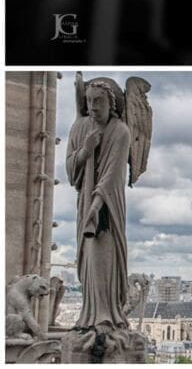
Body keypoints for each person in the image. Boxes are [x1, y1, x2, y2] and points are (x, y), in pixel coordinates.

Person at [66, 80, 134, 331]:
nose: (92, 107)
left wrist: (95, 209)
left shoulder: (121, 131)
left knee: (103, 257)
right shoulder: (80, 127)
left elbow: (112, 176)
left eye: (98, 101)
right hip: (85, 202)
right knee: (88, 259)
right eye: (89, 101)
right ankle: (90, 316)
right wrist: (85, 150)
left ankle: (106, 315)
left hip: (108, 207)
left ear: (111, 103)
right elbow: (71, 171)